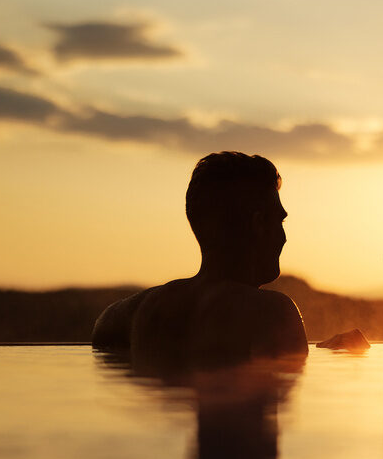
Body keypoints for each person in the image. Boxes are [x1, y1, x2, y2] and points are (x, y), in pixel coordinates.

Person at [91, 151, 308, 374]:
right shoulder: (273, 313)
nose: (283, 237)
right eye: (279, 220)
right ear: (258, 224)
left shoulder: (128, 314)